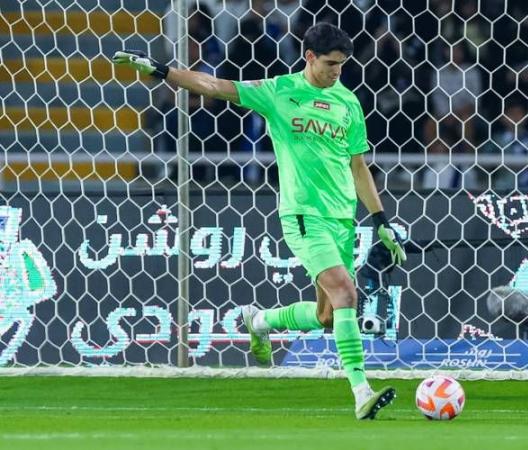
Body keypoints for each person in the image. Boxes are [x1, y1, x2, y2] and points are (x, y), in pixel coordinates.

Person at [112, 23, 407, 420]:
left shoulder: (348, 102)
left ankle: (260, 321)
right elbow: (215, 86)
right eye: (330, 64)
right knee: (347, 295)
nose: (337, 71)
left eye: (342, 65)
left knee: (327, 316)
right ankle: (361, 392)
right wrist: (164, 72)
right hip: (304, 215)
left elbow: (358, 165)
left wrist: (380, 219)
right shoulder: (278, 91)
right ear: (309, 57)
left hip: (342, 218)